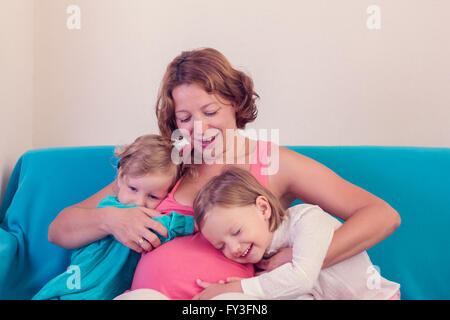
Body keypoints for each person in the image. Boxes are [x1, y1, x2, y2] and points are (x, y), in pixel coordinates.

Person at [48, 47, 401, 300]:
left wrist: (302, 258)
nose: (198, 128)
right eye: (185, 119)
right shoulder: (168, 164)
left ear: (235, 102)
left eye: (210, 110)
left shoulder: (273, 162)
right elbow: (60, 228)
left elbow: (381, 215)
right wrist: (111, 220)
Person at [191, 167, 401, 300]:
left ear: (263, 208)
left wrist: (242, 288)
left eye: (236, 231)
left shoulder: (307, 219)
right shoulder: (265, 253)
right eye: (221, 246)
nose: (234, 248)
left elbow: (302, 278)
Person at [34, 134, 194, 300]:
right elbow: (168, 225)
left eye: (153, 197)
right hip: (68, 294)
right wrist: (196, 224)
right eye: (133, 188)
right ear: (120, 177)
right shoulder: (109, 205)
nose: (139, 202)